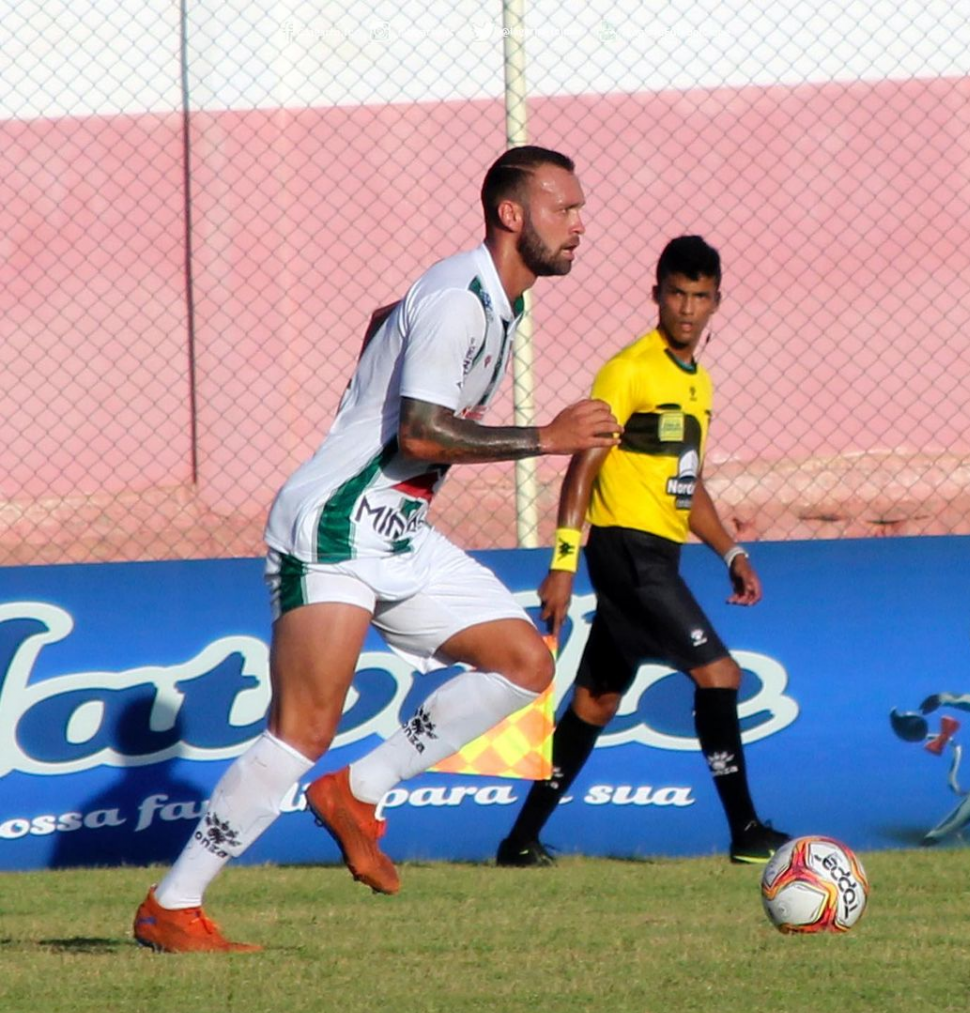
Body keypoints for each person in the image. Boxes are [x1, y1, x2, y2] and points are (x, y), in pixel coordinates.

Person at [132, 145, 621, 953]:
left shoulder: (495, 302)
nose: (578, 224)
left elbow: (385, 319)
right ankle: (172, 905)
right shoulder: (460, 298)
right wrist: (550, 437)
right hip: (335, 525)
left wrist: (383, 357)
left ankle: (360, 790)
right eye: (563, 208)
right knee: (302, 731)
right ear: (510, 214)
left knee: (525, 664)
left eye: (579, 210)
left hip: (397, 531)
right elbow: (422, 433)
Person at [495, 235, 789, 869]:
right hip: (628, 554)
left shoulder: (698, 383)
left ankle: (518, 841)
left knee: (596, 701)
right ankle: (745, 831)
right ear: (656, 294)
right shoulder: (628, 370)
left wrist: (731, 552)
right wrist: (563, 563)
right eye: (676, 294)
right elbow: (583, 466)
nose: (687, 308)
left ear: (716, 302)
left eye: (700, 297)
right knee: (720, 675)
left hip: (658, 555)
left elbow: (688, 482)